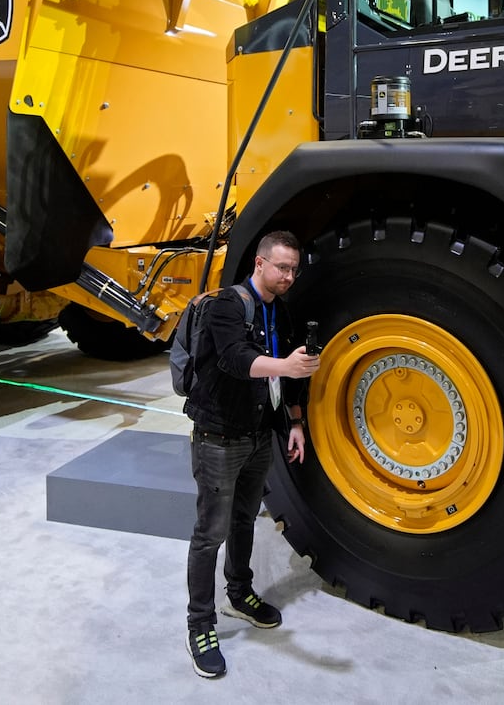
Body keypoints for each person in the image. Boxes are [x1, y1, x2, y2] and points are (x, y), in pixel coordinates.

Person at [184, 230, 321, 679]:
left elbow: (290, 380)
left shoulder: (280, 311)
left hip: (261, 435)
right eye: (281, 267)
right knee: (210, 532)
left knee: (244, 522)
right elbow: (233, 358)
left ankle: (239, 594)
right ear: (260, 264)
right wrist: (286, 366)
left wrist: (296, 423)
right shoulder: (228, 304)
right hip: (218, 437)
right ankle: (200, 624)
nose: (288, 276)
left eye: (293, 270)